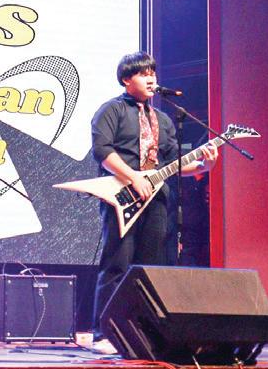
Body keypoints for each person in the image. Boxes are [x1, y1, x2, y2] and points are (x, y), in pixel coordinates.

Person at [90, 51, 217, 355]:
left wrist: (204, 166)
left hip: (157, 199)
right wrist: (133, 176)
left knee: (152, 267)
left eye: (153, 74)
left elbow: (172, 163)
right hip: (122, 195)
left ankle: (146, 332)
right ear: (126, 79)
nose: (151, 79)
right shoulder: (111, 111)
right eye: (143, 74)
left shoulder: (163, 119)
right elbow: (102, 151)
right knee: (118, 263)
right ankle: (104, 333)